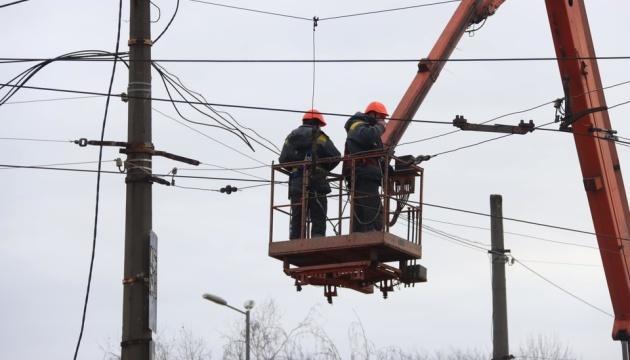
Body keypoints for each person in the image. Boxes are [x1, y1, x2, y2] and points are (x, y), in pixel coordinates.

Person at [279, 109, 341, 239]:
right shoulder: (319, 135)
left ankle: (295, 240)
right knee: (318, 214)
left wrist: (296, 168)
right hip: (316, 182)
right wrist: (324, 168)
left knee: (297, 214)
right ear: (316, 123)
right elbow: (336, 156)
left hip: (297, 183)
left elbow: (283, 159)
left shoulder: (291, 137)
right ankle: (317, 239)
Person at [344, 101, 388, 232]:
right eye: (381, 117)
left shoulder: (369, 129)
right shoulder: (357, 125)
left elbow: (377, 155)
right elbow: (367, 137)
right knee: (372, 209)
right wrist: (380, 127)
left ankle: (365, 233)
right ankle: (371, 233)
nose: (383, 121)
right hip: (363, 173)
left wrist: (388, 169)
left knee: (371, 209)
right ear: (372, 114)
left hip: (368, 174)